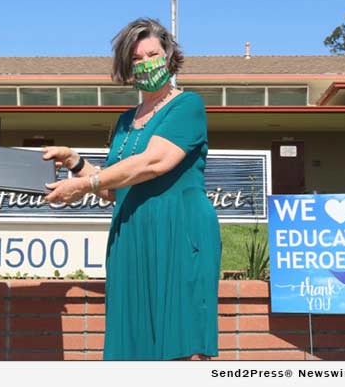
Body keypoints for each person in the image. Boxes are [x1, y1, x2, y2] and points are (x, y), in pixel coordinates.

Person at [43, 18, 222, 360]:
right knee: (134, 347)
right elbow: (114, 187)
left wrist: (83, 185)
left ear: (169, 55)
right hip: (132, 235)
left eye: (152, 54)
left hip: (179, 233)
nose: (146, 64)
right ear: (127, 67)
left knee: (182, 344)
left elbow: (153, 163)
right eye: (136, 59)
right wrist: (74, 162)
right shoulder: (126, 120)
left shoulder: (188, 106)